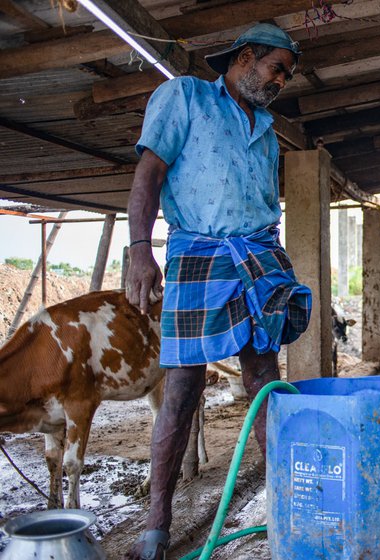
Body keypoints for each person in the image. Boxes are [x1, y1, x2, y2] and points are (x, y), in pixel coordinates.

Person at [124, 23, 312, 560]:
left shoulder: (267, 130)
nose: (281, 80)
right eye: (277, 68)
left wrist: (273, 261)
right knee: (182, 388)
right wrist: (141, 249)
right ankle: (155, 526)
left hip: (258, 254)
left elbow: (261, 206)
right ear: (246, 56)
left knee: (263, 379)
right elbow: (149, 175)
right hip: (199, 253)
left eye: (287, 74)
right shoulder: (183, 96)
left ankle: (286, 504)